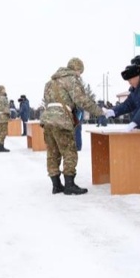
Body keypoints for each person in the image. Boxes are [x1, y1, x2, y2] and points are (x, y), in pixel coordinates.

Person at [41, 58, 105, 194]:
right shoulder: (72, 79)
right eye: (80, 72)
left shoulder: (49, 83)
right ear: (77, 69)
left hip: (47, 120)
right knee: (69, 151)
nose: (79, 75)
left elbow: (46, 101)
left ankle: (56, 185)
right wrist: (100, 112)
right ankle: (69, 185)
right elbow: (82, 100)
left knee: (52, 152)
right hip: (62, 120)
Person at [0, 85, 11, 152]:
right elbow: (4, 108)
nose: (5, 90)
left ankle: (1, 146)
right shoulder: (3, 98)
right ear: (1, 90)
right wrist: (8, 113)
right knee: (3, 132)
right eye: (4, 89)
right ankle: (1, 147)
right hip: (3, 118)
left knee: (0, 132)